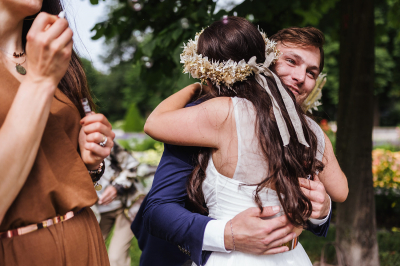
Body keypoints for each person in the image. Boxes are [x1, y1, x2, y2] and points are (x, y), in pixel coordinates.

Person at [132, 24, 346, 266]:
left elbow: (336, 192)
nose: (300, 77)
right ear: (264, 60)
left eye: (311, 72)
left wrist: (323, 209)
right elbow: (160, 209)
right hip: (197, 254)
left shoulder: (304, 131)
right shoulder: (211, 112)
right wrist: (226, 235)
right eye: (291, 61)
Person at [0, 1, 115, 265]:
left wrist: (91, 160)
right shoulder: (45, 68)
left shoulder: (53, 58)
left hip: (85, 239)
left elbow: (57, 169)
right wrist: (39, 82)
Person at [95, 142, 141, 266]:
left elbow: (132, 165)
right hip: (97, 213)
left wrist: (117, 187)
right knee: (92, 255)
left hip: (125, 207)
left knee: (116, 258)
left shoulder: (103, 142)